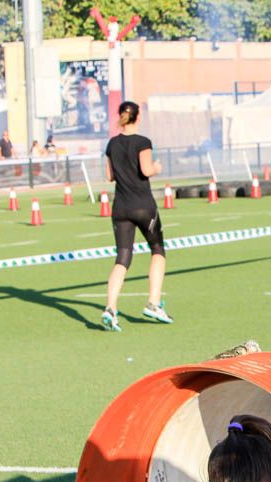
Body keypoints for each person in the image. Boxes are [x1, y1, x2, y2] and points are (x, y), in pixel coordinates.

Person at [100, 100, 172, 330]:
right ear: (138, 117)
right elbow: (146, 170)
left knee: (123, 258)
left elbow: (109, 176)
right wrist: (157, 168)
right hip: (142, 205)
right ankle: (153, 302)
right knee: (158, 250)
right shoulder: (142, 142)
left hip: (120, 207)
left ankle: (110, 308)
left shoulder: (112, 144)